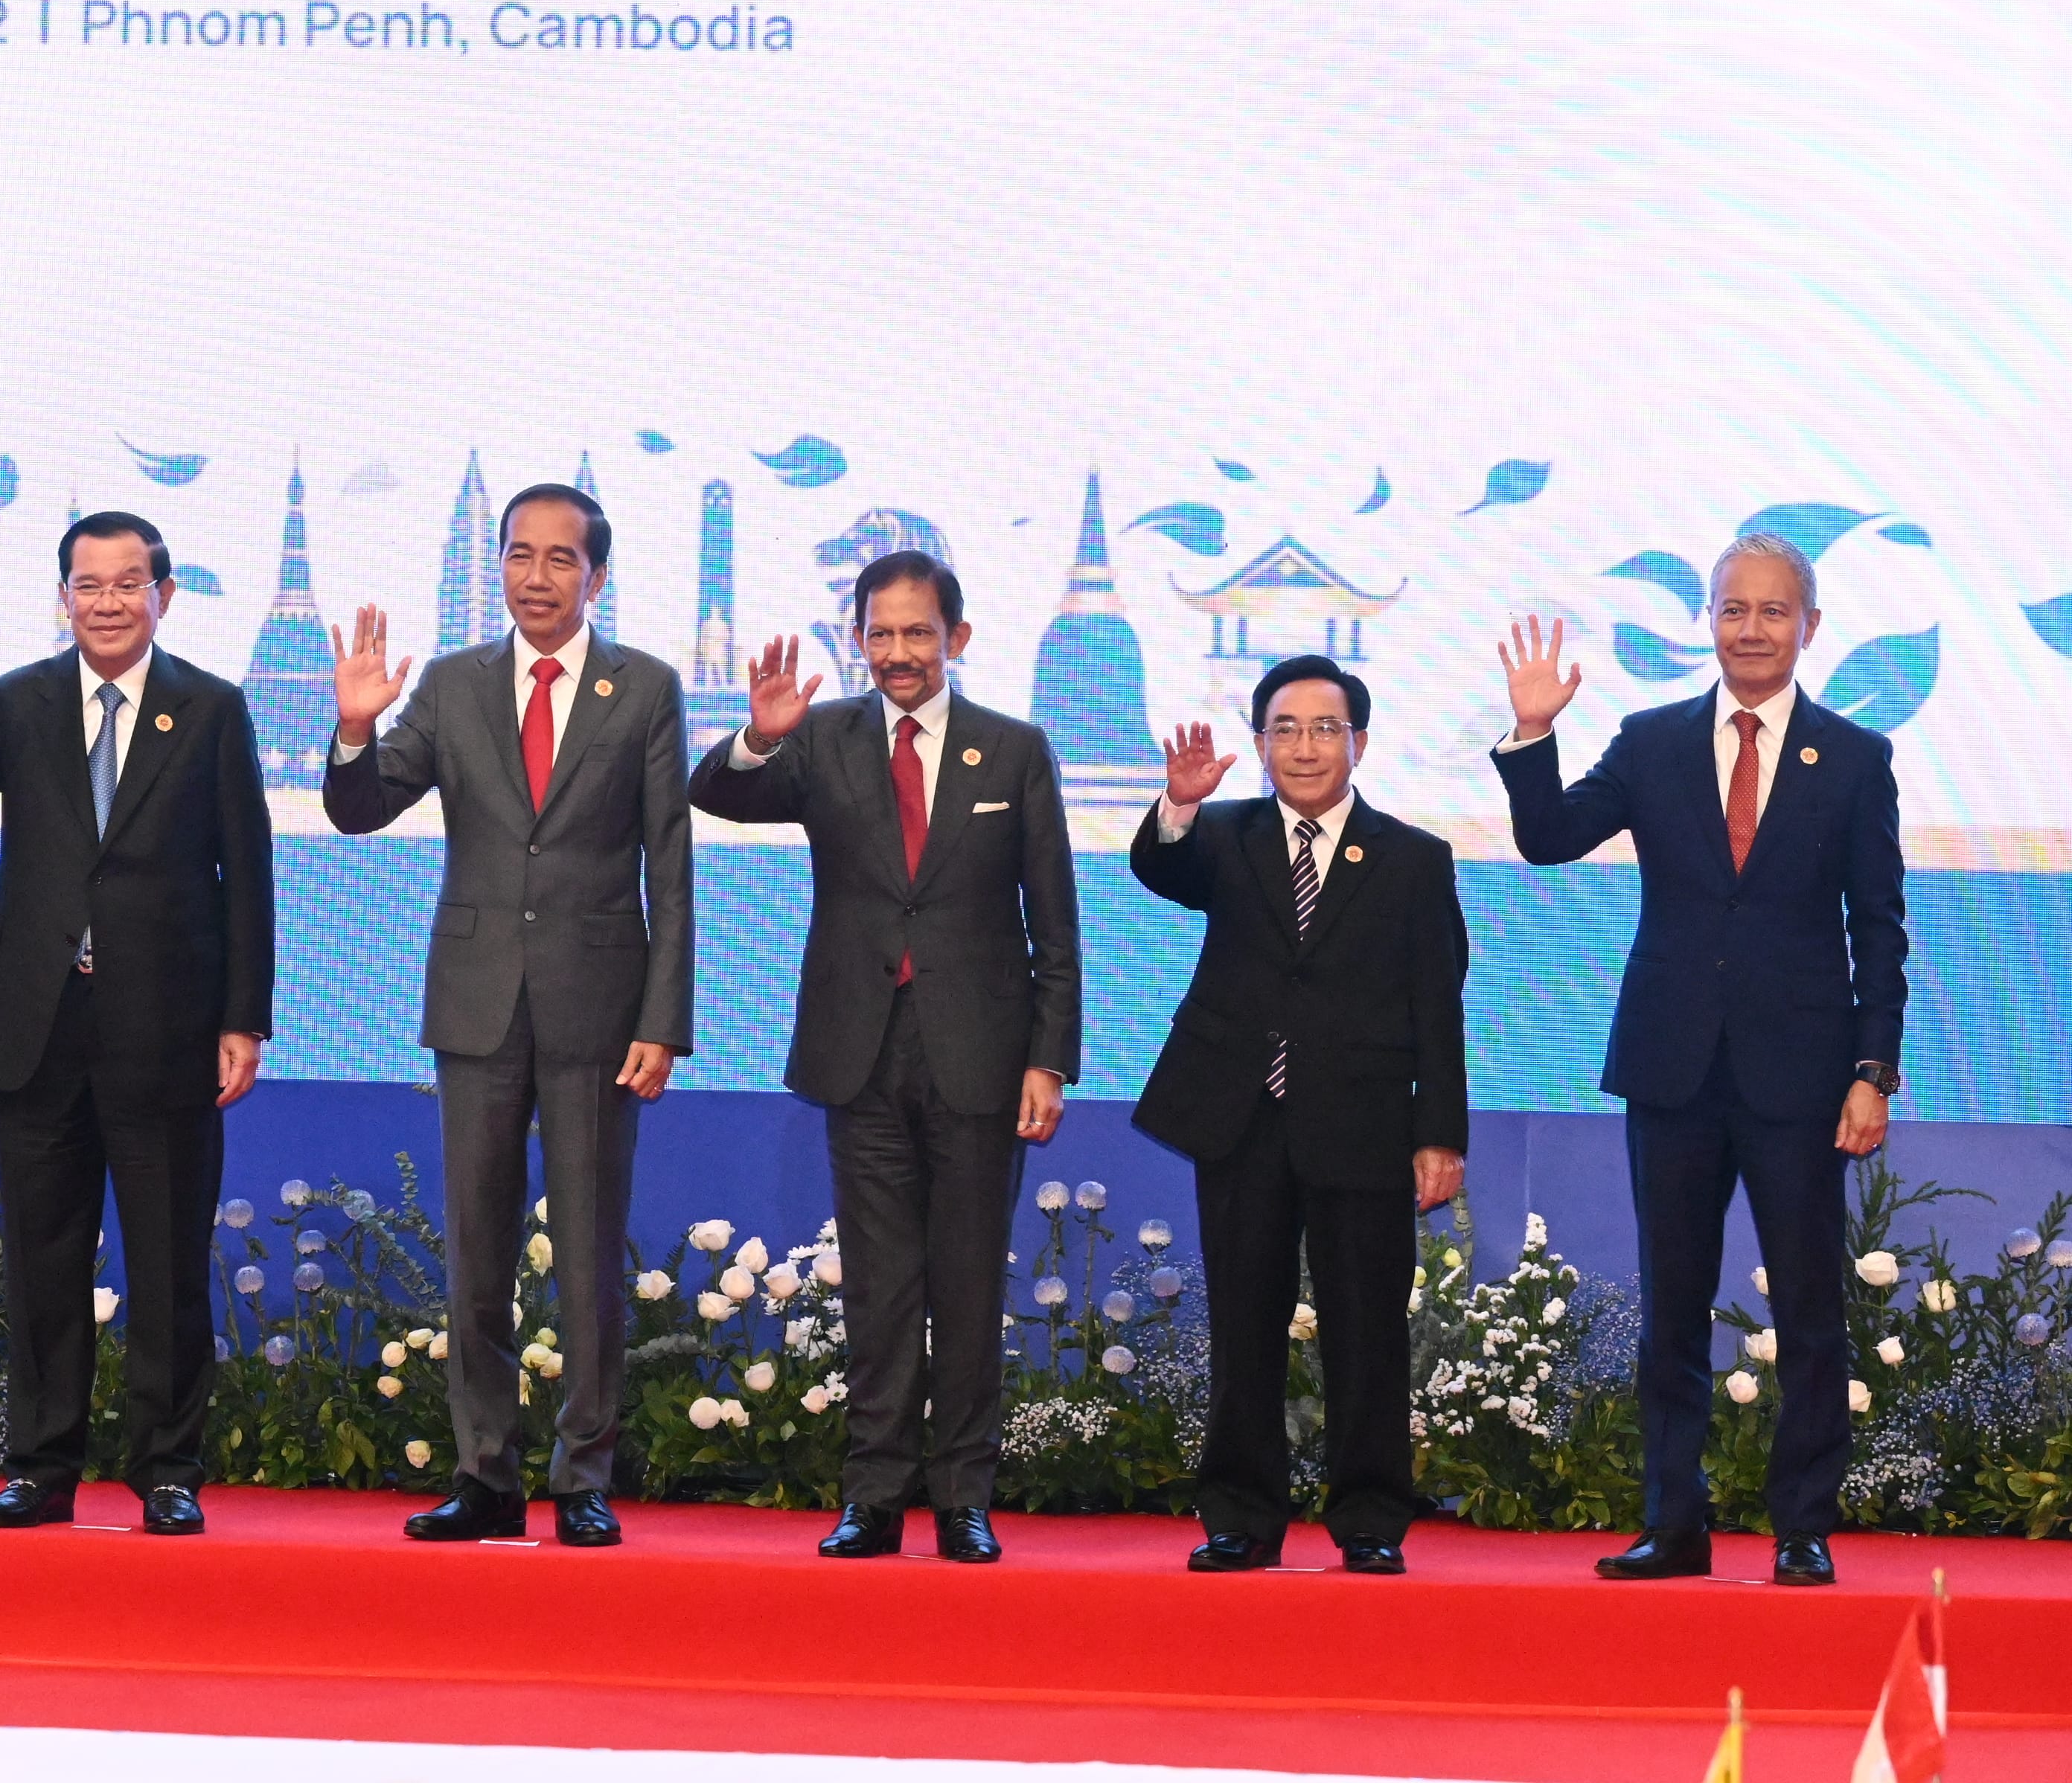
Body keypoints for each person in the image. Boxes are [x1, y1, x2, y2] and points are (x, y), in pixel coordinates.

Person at [1493, 538, 1906, 1588]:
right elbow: (1549, 841)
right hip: (1673, 1069)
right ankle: (1673, 1525)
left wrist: (1873, 1069)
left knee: (1810, 1308)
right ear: (1708, 622)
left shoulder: (1856, 759)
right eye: (1734, 610)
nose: (1753, 629)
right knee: (1671, 1304)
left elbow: (1880, 929)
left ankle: (1802, 1529)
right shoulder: (1651, 741)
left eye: (1775, 612)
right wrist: (1534, 733)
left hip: (1803, 1078)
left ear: (1809, 627)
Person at [690, 550, 1080, 1564]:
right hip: (858, 1049)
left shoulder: (1017, 750)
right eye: (880, 634)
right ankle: (872, 1493)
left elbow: (1056, 921)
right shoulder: (820, 739)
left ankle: (963, 1498)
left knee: (965, 1282)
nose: (898, 653)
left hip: (984, 1056)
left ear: (957, 638)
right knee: (879, 1285)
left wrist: (1051, 1059)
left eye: (917, 633)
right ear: (856, 639)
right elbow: (715, 796)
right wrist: (753, 740)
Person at [324, 481, 691, 1548]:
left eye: (560, 560)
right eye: (519, 556)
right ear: (498, 566)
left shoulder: (647, 689)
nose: (537, 577)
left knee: (585, 1256)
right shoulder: (451, 684)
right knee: (478, 1258)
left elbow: (668, 864)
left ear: (598, 576)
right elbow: (361, 810)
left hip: (600, 1007)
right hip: (478, 1007)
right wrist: (356, 727)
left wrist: (663, 1018)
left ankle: (583, 1478)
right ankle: (486, 1476)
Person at [0, 513, 274, 1538]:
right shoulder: (20, 701)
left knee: (164, 1264)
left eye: (128, 584)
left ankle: (168, 1470)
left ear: (165, 594)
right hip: (40, 1024)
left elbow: (246, 873)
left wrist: (245, 1016)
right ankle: (42, 1467)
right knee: (43, 1260)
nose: (107, 602)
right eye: (87, 585)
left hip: (167, 1025)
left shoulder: (210, 709)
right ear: (62, 597)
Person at [1128, 656, 1469, 1575]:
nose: (1305, 746)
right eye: (1285, 728)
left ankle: (1368, 1521)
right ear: (1259, 743)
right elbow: (1159, 869)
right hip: (1242, 1116)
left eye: (1325, 728)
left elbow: (1440, 1004)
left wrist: (1440, 1133)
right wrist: (1180, 806)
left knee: (1368, 1330)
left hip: (1361, 1122)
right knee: (1244, 1323)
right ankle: (1239, 1515)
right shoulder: (1226, 834)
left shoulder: (1412, 858)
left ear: (1360, 741)